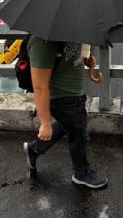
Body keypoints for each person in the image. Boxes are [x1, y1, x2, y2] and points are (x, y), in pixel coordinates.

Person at [22, 38, 108, 189]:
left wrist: (85, 61)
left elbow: (70, 57)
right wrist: (45, 123)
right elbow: (40, 86)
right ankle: (81, 172)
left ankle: (34, 149)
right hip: (62, 97)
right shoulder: (43, 41)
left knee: (66, 126)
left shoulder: (68, 31)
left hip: (75, 94)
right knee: (78, 134)